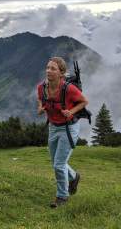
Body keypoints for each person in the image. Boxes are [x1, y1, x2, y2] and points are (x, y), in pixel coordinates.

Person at [37, 57, 88, 208]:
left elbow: (84, 101)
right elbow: (40, 99)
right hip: (53, 127)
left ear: (61, 73)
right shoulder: (42, 87)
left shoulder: (69, 89)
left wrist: (71, 111)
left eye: (53, 68)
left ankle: (62, 197)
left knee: (59, 165)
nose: (48, 71)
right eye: (47, 67)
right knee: (56, 163)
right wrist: (40, 108)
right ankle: (74, 176)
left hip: (68, 128)